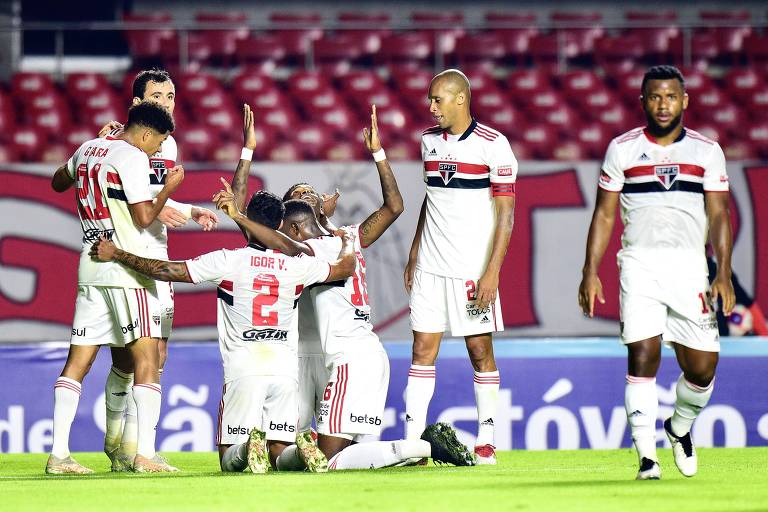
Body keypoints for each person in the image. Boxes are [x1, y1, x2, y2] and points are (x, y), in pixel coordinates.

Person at [221, 103, 474, 469]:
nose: (305, 195)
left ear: (322, 206)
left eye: (310, 192)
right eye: (297, 195)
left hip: (340, 355)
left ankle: (418, 448)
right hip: (303, 356)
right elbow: (247, 224)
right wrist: (246, 154)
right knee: (285, 454)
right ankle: (410, 451)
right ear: (288, 218)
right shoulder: (300, 243)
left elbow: (394, 206)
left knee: (333, 456)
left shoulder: (337, 240)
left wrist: (377, 153)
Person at [91, 188, 357, 473]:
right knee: (280, 451)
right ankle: (303, 450)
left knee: (230, 458)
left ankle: (247, 447)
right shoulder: (298, 266)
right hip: (285, 370)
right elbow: (345, 268)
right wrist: (346, 241)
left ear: (248, 221)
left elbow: (168, 270)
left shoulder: (227, 261)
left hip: (245, 367)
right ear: (280, 225)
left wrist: (117, 253)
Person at [577, 65, 735, 480]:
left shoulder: (706, 151)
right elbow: (605, 215)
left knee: (702, 369)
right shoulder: (623, 149)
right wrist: (590, 270)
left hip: (689, 268)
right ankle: (647, 457)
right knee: (642, 355)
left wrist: (724, 274)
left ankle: (679, 428)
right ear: (642, 101)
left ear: (684, 101)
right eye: (654, 96)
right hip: (640, 264)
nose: (662, 104)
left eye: (670, 96)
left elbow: (719, 214)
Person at [47, 101, 183, 474]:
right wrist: (168, 189)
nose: (157, 150)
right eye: (158, 142)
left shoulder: (89, 147)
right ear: (143, 133)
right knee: (147, 360)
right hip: (126, 269)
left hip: (90, 264)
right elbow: (143, 218)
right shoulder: (134, 157)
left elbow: (58, 180)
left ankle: (58, 455)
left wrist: (89, 151)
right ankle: (145, 454)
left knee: (77, 362)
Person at [99, 69, 219, 471]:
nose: (166, 102)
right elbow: (132, 202)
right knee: (125, 358)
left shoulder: (168, 148)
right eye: (157, 96)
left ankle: (133, 448)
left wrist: (189, 209)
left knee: (157, 353)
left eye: (170, 95)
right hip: (122, 259)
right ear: (136, 104)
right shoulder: (114, 143)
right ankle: (119, 444)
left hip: (157, 261)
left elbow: (156, 202)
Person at [402, 69, 517, 465]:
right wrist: (416, 251)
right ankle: (414, 444)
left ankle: (486, 439)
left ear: (461, 99)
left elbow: (506, 216)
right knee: (422, 349)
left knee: (479, 350)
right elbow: (430, 199)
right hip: (431, 266)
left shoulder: (494, 146)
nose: (431, 107)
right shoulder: (427, 141)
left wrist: (492, 272)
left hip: (472, 270)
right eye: (430, 100)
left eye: (438, 100)